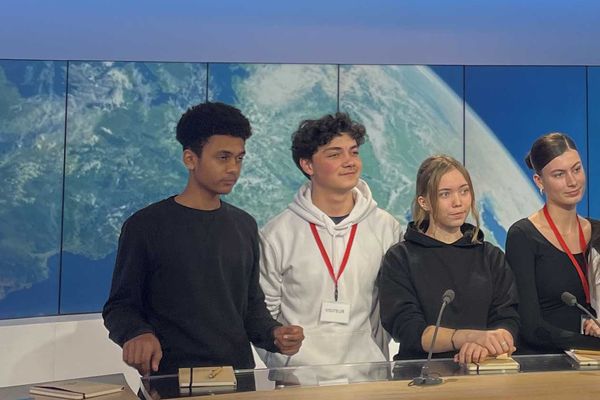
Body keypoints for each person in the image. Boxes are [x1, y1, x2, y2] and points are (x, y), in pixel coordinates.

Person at [102, 102, 304, 376]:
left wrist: (274, 334)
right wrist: (136, 334)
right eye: (223, 157)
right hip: (171, 381)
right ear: (190, 159)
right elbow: (121, 307)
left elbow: (251, 308)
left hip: (238, 382)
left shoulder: (244, 225)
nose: (233, 168)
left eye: (239, 158)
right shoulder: (145, 226)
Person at [257, 112, 401, 367]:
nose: (350, 162)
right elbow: (263, 316)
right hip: (299, 384)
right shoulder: (277, 234)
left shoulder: (386, 227)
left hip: (367, 381)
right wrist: (285, 369)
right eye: (335, 154)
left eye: (354, 152)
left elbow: (396, 305)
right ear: (308, 165)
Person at [379, 155, 519, 364]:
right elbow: (407, 329)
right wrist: (467, 338)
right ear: (424, 202)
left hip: (485, 370)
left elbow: (509, 319)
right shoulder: (400, 258)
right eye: (445, 194)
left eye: (464, 191)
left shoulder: (490, 256)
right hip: (420, 376)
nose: (458, 202)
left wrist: (488, 344)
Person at [505, 132, 600, 353]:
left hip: (592, 361)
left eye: (576, 169)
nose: (572, 181)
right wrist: (593, 344)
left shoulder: (598, 233)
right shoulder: (523, 236)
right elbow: (531, 327)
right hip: (545, 362)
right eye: (559, 174)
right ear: (539, 181)